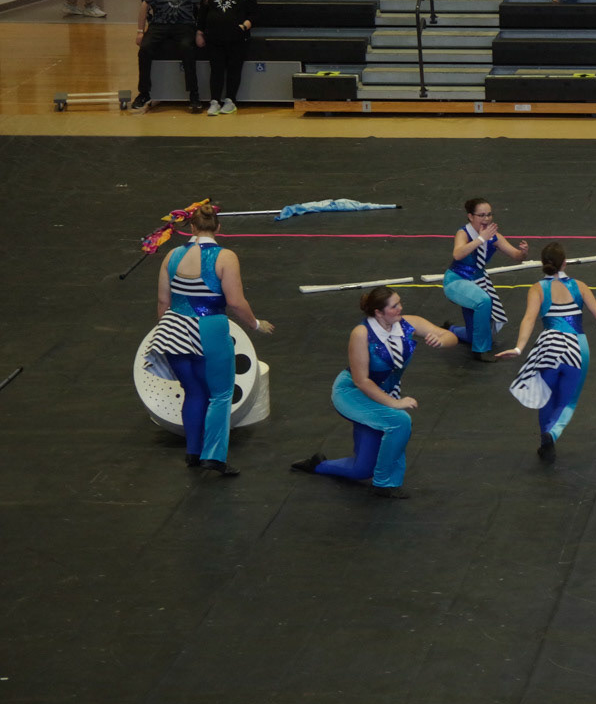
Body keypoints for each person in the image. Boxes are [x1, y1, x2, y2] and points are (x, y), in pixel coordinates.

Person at [289, 287, 456, 499]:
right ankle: (384, 483)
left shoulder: (407, 323)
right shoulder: (361, 334)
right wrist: (394, 403)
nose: (400, 308)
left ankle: (318, 465)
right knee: (400, 421)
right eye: (394, 306)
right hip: (352, 393)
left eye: (399, 303)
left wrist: (441, 341)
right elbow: (361, 381)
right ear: (378, 312)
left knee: (362, 470)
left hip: (379, 393)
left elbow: (449, 336)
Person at [144, 205, 273, 474]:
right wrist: (255, 324)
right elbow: (236, 302)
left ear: (191, 227)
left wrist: (166, 332)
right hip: (209, 329)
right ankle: (214, 456)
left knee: (193, 391)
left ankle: (193, 453)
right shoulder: (225, 257)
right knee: (221, 394)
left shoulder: (172, 256)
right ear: (218, 227)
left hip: (173, 328)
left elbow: (162, 302)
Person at [500, 243, 596, 463]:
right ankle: (552, 434)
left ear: (543, 264)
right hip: (577, 347)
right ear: (564, 263)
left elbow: (529, 319)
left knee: (546, 396)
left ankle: (545, 442)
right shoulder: (579, 286)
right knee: (568, 399)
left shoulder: (537, 289)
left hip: (549, 347)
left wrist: (518, 348)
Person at [444, 197, 529, 360]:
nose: (487, 219)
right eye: (481, 215)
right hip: (456, 281)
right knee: (483, 301)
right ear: (470, 216)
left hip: (478, 282)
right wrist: (481, 239)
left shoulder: (494, 236)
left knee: (478, 332)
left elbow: (516, 256)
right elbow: (458, 254)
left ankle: (452, 330)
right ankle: (480, 351)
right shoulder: (464, 233)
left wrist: (523, 252)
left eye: (489, 214)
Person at [134, 0, 203, 113]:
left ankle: (194, 95)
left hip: (184, 24)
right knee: (144, 49)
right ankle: (144, 93)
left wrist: (200, 30)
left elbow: (200, 4)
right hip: (160, 24)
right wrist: (140, 31)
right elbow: (145, 5)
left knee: (187, 48)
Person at [195, 0, 256, 116]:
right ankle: (214, 101)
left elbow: (254, 13)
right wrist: (199, 32)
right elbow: (202, 13)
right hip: (214, 39)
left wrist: (244, 26)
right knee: (216, 70)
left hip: (237, 39)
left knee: (234, 70)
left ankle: (230, 101)